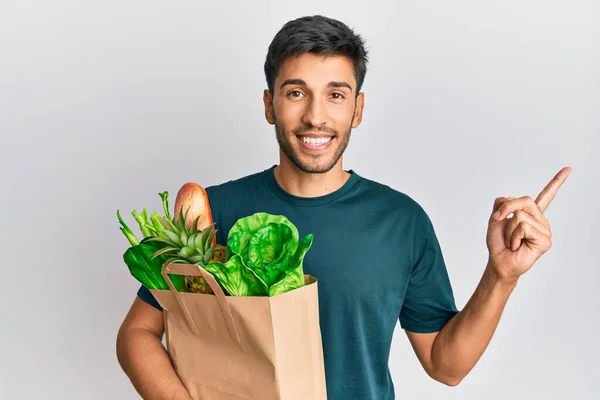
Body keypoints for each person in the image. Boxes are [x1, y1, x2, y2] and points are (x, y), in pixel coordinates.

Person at [116, 15, 571, 400]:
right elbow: (137, 334)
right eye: (296, 92)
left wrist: (501, 276)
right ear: (269, 105)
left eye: (336, 94)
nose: (316, 116)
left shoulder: (401, 221)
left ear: (357, 109)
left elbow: (445, 365)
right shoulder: (212, 210)